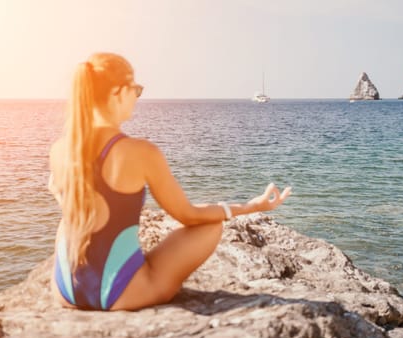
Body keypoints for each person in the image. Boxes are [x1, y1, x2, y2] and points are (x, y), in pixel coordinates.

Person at [48, 52, 291, 311]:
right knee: (211, 225)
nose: (136, 97)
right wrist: (252, 206)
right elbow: (188, 215)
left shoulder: (61, 149)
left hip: (65, 291)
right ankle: (128, 280)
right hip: (119, 296)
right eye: (136, 89)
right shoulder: (139, 152)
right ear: (118, 92)